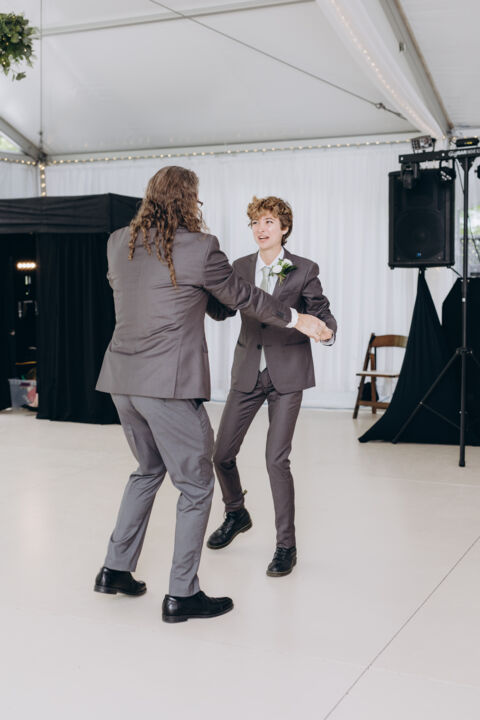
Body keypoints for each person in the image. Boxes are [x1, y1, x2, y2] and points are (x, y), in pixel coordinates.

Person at [93, 168, 329, 623]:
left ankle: (115, 570)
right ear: (188, 200)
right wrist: (298, 319)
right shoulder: (199, 247)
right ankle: (182, 594)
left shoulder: (119, 241)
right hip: (168, 385)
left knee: (148, 470)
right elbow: (245, 297)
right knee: (198, 485)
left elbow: (156, 294)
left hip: (121, 380)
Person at [207, 195, 337, 577]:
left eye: (268, 222)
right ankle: (236, 513)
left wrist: (327, 332)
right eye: (255, 223)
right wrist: (200, 290)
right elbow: (223, 309)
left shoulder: (304, 268)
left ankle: (286, 546)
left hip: (287, 375)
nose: (260, 229)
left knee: (275, 460)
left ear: (284, 228)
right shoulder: (239, 267)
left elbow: (321, 310)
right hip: (248, 371)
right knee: (221, 454)